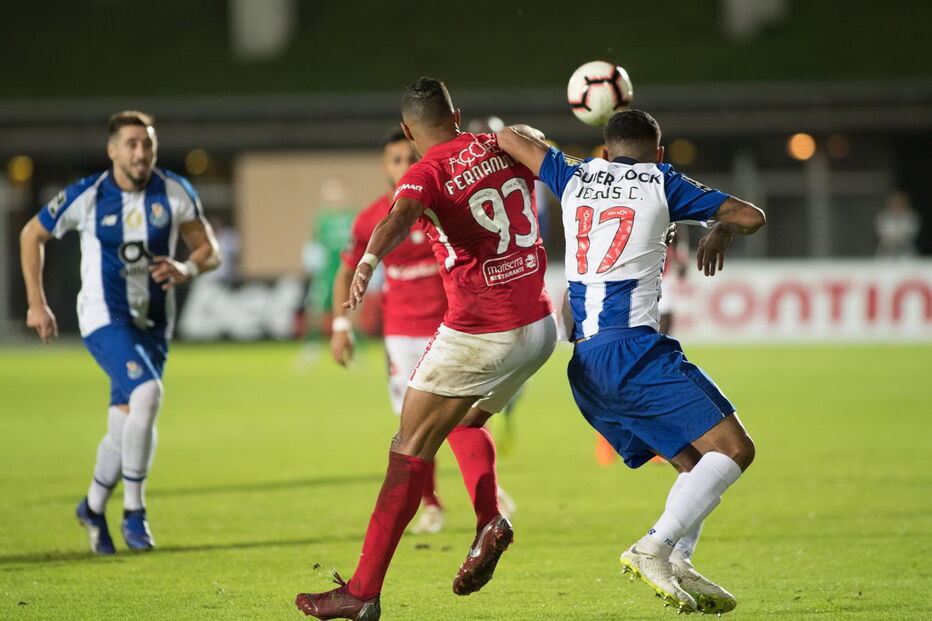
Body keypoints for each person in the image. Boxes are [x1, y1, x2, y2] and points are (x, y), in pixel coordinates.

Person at [296, 77, 556, 620]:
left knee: (408, 447)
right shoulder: (506, 142)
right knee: (464, 424)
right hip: (538, 327)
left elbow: (399, 218)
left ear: (409, 131)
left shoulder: (426, 171)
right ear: (457, 115)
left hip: (480, 332)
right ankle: (487, 520)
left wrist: (368, 263)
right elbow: (562, 171)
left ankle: (361, 592)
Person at [496, 109, 765, 614]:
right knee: (735, 450)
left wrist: (544, 147)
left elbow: (509, 137)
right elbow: (751, 215)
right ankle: (653, 548)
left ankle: (679, 558)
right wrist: (720, 230)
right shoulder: (661, 180)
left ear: (604, 152)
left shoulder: (573, 173)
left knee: (694, 465)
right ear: (657, 154)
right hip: (633, 352)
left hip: (585, 362)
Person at [19, 111, 220, 554]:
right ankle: (134, 511)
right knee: (147, 393)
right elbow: (31, 234)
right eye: (131, 144)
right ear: (112, 150)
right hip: (103, 317)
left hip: (155, 323)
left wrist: (186, 267)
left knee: (125, 423)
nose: (140, 152)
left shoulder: (174, 191)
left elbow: (210, 250)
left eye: (147, 143)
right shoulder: (89, 195)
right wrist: (36, 302)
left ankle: (92, 507)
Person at [330, 129, 450, 533]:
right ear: (383, 166)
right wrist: (341, 326)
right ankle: (431, 503)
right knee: (412, 424)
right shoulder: (371, 219)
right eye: (395, 160)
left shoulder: (441, 205)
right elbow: (345, 271)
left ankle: (487, 497)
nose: (403, 166)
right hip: (400, 334)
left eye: (409, 159)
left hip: (449, 327)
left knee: (463, 417)